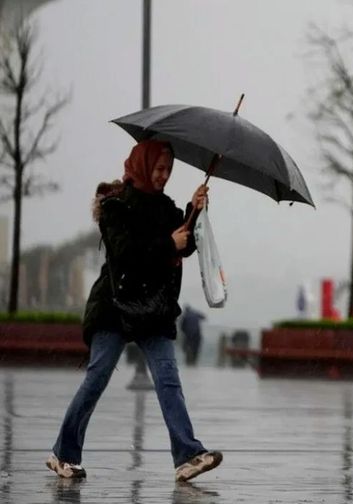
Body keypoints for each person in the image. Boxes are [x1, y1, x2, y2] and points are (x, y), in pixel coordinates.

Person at [46, 139, 222, 482]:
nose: (164, 176)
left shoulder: (166, 208)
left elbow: (183, 242)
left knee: (168, 380)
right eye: (159, 169)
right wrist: (168, 243)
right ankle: (63, 454)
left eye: (168, 170)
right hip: (114, 305)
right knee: (97, 378)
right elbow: (126, 255)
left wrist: (194, 209)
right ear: (142, 165)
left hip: (152, 309)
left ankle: (187, 454)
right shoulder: (115, 208)